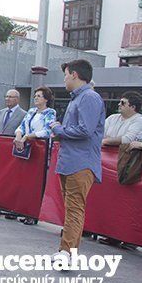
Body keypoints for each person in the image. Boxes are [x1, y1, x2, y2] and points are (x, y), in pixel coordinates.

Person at [48, 59, 106, 263]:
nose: (64, 79)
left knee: (74, 208)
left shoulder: (89, 97)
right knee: (72, 207)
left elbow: (85, 130)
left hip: (80, 163)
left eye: (65, 74)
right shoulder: (79, 98)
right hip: (71, 161)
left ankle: (68, 252)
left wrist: (58, 129)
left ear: (74, 74)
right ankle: (67, 250)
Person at [12, 86, 57, 225]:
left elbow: (47, 131)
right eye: (35, 96)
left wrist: (29, 136)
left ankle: (33, 213)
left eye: (39, 96)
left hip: (40, 150)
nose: (36, 98)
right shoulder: (31, 111)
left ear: (46, 99)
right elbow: (22, 126)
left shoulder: (50, 113)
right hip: (27, 147)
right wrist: (19, 136)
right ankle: (20, 208)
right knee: (23, 180)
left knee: (36, 182)